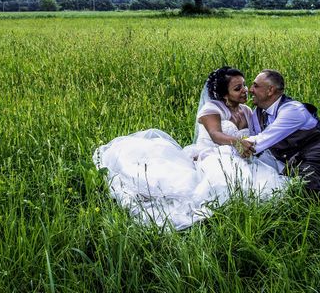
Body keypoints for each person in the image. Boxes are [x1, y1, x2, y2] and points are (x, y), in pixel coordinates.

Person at [93, 67, 288, 230]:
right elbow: (216, 135)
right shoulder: (212, 109)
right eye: (238, 88)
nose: (245, 90)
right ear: (224, 94)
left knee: (261, 180)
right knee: (217, 182)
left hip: (235, 154)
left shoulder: (247, 110)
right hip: (209, 154)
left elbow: (255, 135)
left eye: (245, 85)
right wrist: (237, 143)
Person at [246, 69, 320, 206]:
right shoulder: (257, 113)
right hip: (305, 158)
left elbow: (260, 141)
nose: (250, 89)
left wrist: (235, 144)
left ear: (270, 90)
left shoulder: (293, 110)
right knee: (294, 180)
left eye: (256, 85)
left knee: (303, 181)